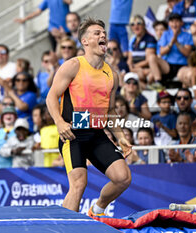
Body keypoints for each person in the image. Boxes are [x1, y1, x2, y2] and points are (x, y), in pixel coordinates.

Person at [46, 18, 132, 215]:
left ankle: (97, 209)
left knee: (123, 178)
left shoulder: (112, 74)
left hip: (96, 134)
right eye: (97, 33)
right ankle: (65, 228)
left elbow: (110, 111)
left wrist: (121, 137)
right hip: (72, 134)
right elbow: (51, 96)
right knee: (79, 184)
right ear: (84, 41)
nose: (103, 35)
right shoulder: (73, 65)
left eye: (104, 33)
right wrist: (59, 122)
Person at [127, 14, 169, 89]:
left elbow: (149, 60)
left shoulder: (149, 39)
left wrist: (136, 67)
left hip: (149, 69)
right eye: (132, 24)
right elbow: (129, 60)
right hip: (138, 70)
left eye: (139, 23)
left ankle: (157, 84)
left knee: (149, 76)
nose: (136, 26)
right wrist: (133, 69)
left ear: (144, 25)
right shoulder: (132, 41)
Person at [158, 13, 193, 83]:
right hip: (168, 65)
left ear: (181, 23)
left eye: (176, 21)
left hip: (182, 65)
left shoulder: (187, 35)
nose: (174, 24)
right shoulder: (165, 34)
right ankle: (158, 82)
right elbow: (161, 52)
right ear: (169, 23)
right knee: (152, 58)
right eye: (172, 22)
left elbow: (187, 53)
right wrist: (171, 42)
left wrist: (176, 41)